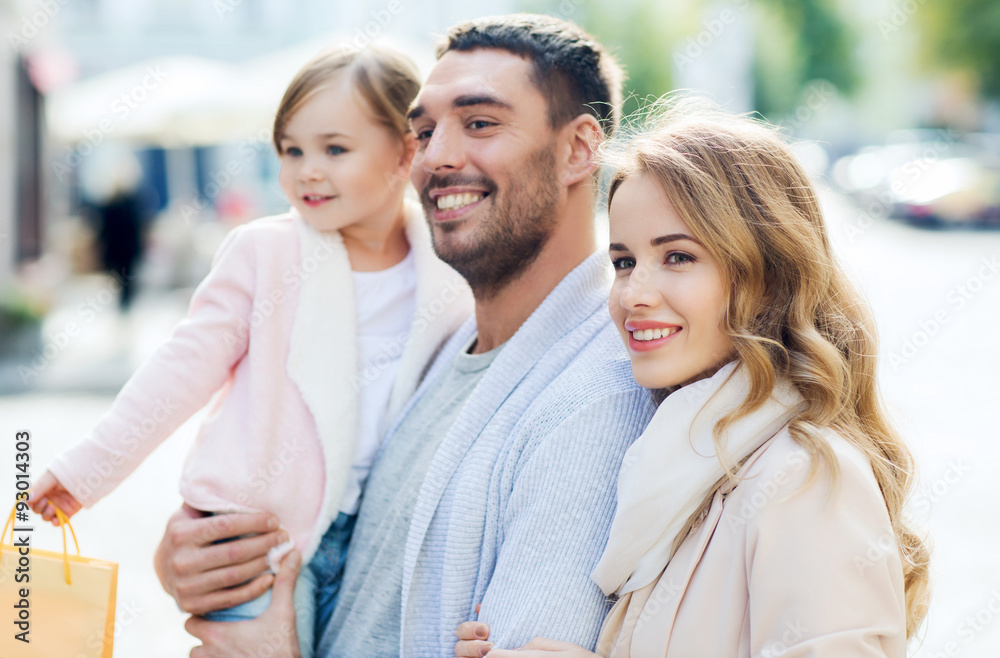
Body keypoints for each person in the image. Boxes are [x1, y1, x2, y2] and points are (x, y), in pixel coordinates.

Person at [152, 13, 660, 657]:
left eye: (479, 123)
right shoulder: (442, 342)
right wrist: (195, 554)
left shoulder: (593, 398)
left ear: (579, 149)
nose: (436, 156)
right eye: (423, 130)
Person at [28, 44, 471, 658]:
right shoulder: (265, 254)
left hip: (374, 538)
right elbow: (180, 368)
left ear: (405, 150)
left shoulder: (447, 268)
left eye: (334, 149)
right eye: (290, 150)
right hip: (251, 533)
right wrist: (85, 472)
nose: (306, 170)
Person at [454, 99, 931, 657]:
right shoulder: (677, 460)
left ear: (768, 274)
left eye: (678, 257)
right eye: (624, 262)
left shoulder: (804, 477)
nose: (634, 295)